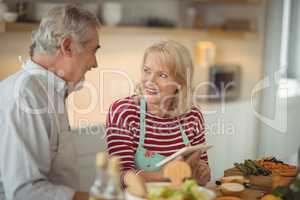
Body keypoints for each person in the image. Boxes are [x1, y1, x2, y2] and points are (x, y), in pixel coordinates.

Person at [0, 4, 101, 200]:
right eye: (93, 51)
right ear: (67, 46)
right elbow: (25, 193)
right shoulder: (26, 97)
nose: (95, 63)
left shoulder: (46, 91)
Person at [105, 40, 211, 187]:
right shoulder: (123, 112)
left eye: (162, 75)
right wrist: (165, 175)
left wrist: (201, 173)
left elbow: (200, 173)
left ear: (180, 83)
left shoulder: (192, 116)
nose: (150, 81)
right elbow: (121, 178)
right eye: (147, 71)